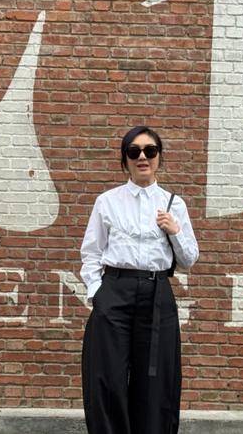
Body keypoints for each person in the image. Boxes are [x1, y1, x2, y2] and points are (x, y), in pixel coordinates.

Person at [80, 126, 199, 434]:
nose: (142, 157)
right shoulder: (107, 201)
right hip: (114, 291)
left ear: (159, 157)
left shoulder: (174, 204)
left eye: (150, 151)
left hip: (157, 293)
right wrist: (98, 294)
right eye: (134, 152)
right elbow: (91, 253)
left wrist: (175, 231)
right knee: (107, 378)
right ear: (126, 160)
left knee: (156, 380)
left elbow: (189, 260)